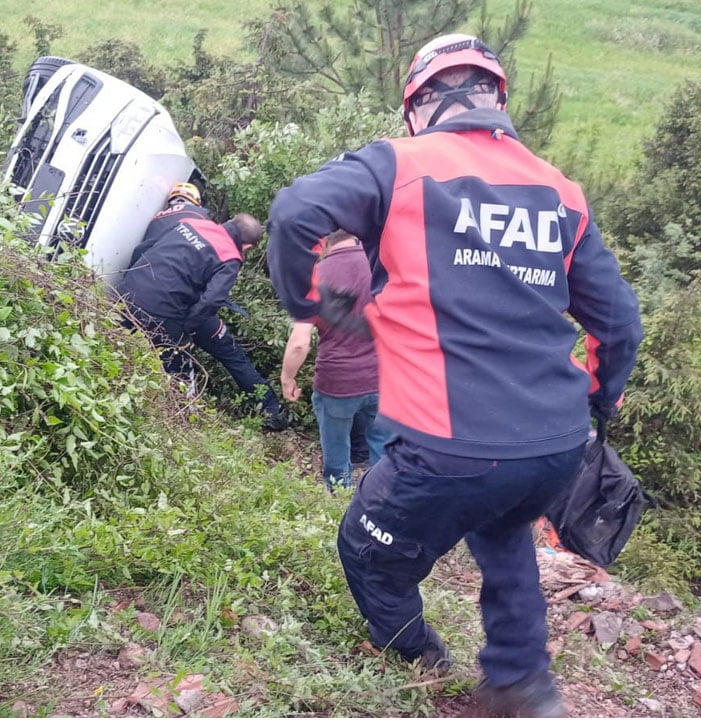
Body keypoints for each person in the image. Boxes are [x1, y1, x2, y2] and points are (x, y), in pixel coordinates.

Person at [266, 33, 643, 717]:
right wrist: (599, 397)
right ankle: (522, 683)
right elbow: (620, 325)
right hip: (552, 445)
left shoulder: (399, 165)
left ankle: (423, 663)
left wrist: (311, 304)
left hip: (451, 444)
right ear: (499, 100)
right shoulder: (561, 191)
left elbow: (295, 213)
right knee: (503, 531)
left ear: (416, 108)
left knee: (368, 549)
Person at [118, 185, 289, 430]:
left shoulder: (193, 223)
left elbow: (144, 249)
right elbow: (210, 302)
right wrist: (184, 333)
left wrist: (133, 285)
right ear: (248, 246)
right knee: (225, 356)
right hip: (169, 313)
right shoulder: (230, 257)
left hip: (128, 295)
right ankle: (269, 413)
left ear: (228, 221)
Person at [279, 230, 390, 491]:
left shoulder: (315, 277)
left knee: (337, 453)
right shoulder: (383, 264)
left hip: (337, 384)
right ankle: (378, 503)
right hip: (383, 379)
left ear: (324, 241)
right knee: (382, 452)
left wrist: (287, 378)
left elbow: (299, 342)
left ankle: (339, 507)